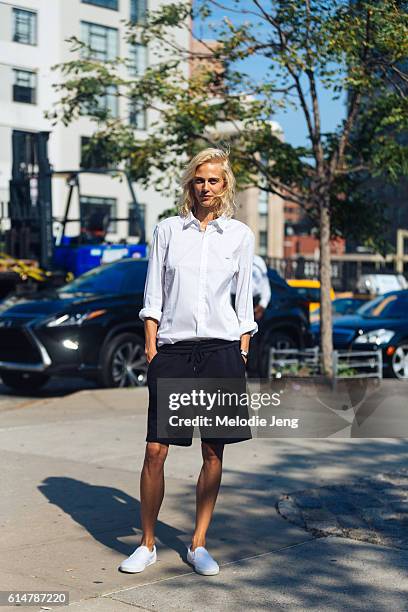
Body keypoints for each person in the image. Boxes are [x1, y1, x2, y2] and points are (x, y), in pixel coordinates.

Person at [119, 148, 257, 577]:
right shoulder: (167, 231)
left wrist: (243, 348)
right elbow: (153, 295)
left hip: (221, 350)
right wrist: (151, 345)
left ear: (225, 186)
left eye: (214, 180)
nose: (206, 187)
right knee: (155, 451)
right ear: (190, 185)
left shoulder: (239, 236)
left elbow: (243, 298)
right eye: (200, 180)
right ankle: (147, 544)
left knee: (212, 450)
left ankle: (198, 543)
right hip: (173, 351)